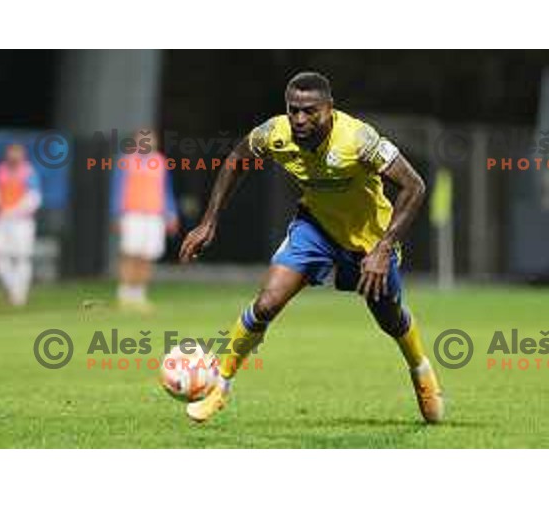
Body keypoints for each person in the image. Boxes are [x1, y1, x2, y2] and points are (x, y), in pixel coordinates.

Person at [179, 71, 444, 424]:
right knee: (267, 302)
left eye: (310, 111)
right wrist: (209, 220)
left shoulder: (358, 139)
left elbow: (415, 186)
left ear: (330, 109)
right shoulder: (274, 134)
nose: (300, 119)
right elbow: (236, 159)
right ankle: (220, 386)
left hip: (370, 240)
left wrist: (383, 248)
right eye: (293, 110)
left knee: (390, 318)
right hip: (314, 229)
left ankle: (421, 370)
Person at [112, 130, 179, 312]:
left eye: (150, 140)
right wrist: (116, 214)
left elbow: (166, 191)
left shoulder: (160, 162)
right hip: (132, 214)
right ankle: (124, 294)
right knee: (130, 254)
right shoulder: (126, 161)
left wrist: (171, 214)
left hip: (154, 216)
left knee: (147, 256)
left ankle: (139, 295)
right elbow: (117, 189)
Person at [0, 143, 41, 306]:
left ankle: (19, 295)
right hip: (1, 221)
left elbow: (33, 198)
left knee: (22, 257)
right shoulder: (0, 170)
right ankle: (14, 288)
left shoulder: (28, 172)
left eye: (17, 153)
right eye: (11, 153)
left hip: (21, 222)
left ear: (22, 155)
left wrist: (14, 211)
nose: (13, 157)